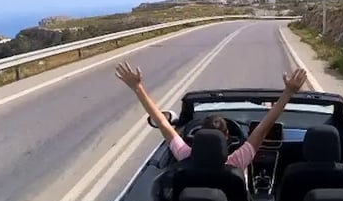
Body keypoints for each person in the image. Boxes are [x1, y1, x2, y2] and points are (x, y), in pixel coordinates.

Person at [115, 62, 308, 169]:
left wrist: (138, 88)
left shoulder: (184, 157)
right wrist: (289, 92)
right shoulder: (236, 162)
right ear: (226, 137)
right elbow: (264, 127)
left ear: (197, 138)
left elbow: (162, 123)